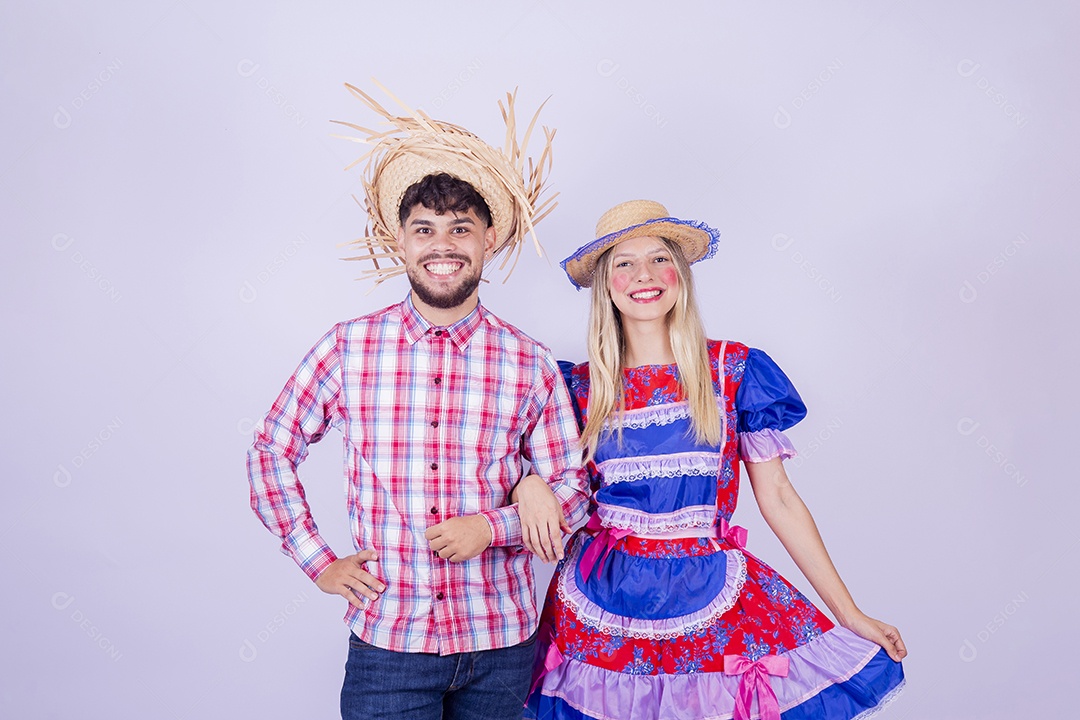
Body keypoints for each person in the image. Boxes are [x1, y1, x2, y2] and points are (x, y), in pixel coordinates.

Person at [246, 85, 589, 720]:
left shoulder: (528, 360)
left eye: (461, 228)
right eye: (424, 229)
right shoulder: (349, 348)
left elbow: (572, 490)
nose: (443, 244)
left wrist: (492, 527)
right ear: (399, 242)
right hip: (390, 648)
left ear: (488, 240)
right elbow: (271, 450)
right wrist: (315, 559)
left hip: (503, 645)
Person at [516, 200, 907, 720]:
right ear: (605, 285)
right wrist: (526, 485)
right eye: (624, 263)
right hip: (598, 607)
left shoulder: (733, 371)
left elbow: (781, 499)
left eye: (659, 258)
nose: (644, 276)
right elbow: (502, 464)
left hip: (710, 595)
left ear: (681, 273)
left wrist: (849, 612)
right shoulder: (576, 388)